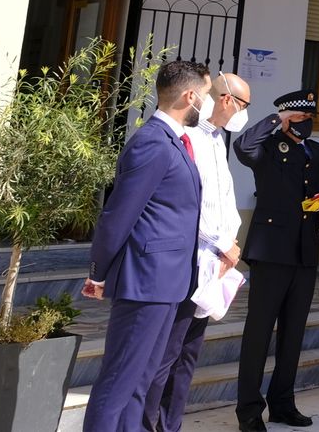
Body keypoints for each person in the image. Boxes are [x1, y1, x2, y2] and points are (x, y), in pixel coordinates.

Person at [80, 60, 211, 432]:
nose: (207, 104)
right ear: (190, 96)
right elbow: (118, 214)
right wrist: (99, 272)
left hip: (168, 282)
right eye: (205, 96)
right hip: (146, 282)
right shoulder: (153, 141)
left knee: (141, 382)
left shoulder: (174, 141)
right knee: (119, 381)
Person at [143, 71, 251, 432]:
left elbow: (223, 199)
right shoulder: (189, 135)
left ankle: (170, 425)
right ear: (227, 100)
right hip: (190, 258)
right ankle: (147, 424)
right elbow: (194, 202)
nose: (244, 113)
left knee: (188, 354)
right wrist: (222, 244)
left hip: (214, 262)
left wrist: (231, 245)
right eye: (244, 105)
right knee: (167, 353)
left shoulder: (217, 139)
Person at [234, 90, 319, 432]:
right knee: (259, 333)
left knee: (293, 334)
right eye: (299, 117)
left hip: (305, 252)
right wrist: (275, 121)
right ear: (286, 117)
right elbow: (242, 147)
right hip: (271, 252)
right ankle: (249, 411)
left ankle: (282, 404)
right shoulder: (267, 146)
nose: (306, 122)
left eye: (310, 117)